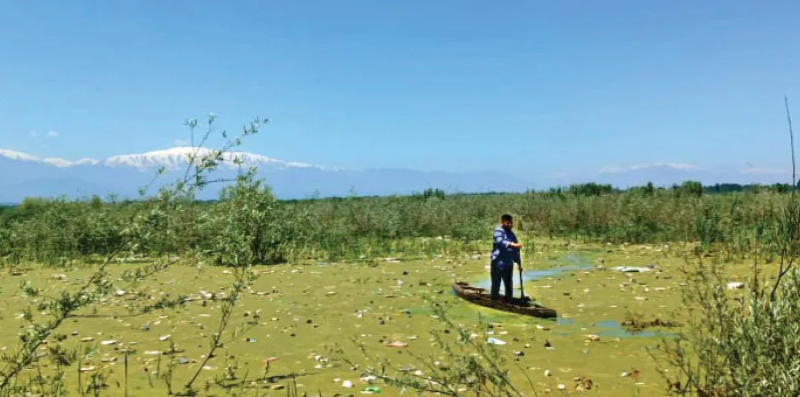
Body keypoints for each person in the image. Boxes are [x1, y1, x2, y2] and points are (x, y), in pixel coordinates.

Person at [490, 214, 522, 302]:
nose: (510, 225)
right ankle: (494, 300)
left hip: (508, 263)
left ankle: (509, 300)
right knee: (496, 284)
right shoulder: (498, 231)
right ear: (503, 222)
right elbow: (500, 242)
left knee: (509, 285)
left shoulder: (511, 234)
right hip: (498, 263)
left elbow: (516, 251)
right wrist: (513, 245)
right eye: (508, 223)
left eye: (511, 223)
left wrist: (519, 264)